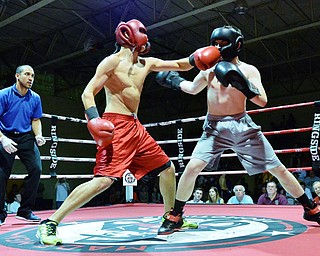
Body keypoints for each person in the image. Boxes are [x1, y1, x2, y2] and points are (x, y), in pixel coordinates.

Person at [36, 19, 221, 245]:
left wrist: (203, 55)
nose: (146, 37)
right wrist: (94, 119)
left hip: (136, 127)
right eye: (142, 31)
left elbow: (181, 65)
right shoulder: (111, 62)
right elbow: (87, 93)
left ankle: (171, 216)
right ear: (128, 35)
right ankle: (51, 223)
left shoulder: (146, 63)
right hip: (116, 125)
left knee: (167, 168)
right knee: (103, 181)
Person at [156, 25, 320, 235]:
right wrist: (173, 80)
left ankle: (310, 208)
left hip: (242, 126)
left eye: (223, 44)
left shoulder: (249, 70)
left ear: (237, 45)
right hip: (213, 127)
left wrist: (241, 83)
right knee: (192, 167)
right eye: (215, 44)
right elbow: (192, 89)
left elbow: (262, 101)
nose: (218, 48)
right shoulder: (209, 69)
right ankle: (176, 215)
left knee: (277, 169)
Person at [0, 65, 46, 225]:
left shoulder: (35, 98)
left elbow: (36, 119)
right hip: (5, 135)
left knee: (36, 169)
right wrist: (3, 139)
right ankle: (0, 213)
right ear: (17, 76)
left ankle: (25, 211)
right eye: (27, 74)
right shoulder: (3, 95)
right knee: (1, 174)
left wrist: (38, 135)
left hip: (26, 137)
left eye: (32, 75)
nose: (31, 78)